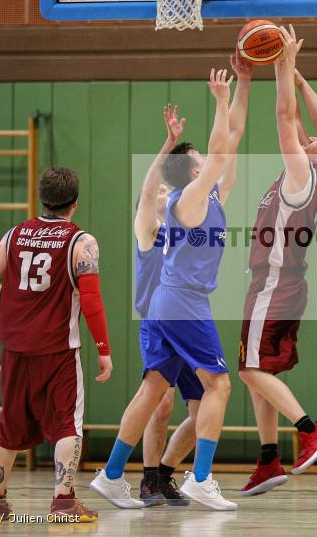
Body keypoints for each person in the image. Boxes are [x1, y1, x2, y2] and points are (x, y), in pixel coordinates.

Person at [94, 67, 247, 512]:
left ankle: (111, 473)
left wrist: (242, 88)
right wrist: (219, 99)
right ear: (195, 170)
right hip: (181, 301)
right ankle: (200, 478)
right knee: (219, 386)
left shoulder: (210, 197)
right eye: (203, 159)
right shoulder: (188, 199)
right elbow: (219, 151)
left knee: (155, 390)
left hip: (170, 301)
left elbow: (230, 142)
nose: (211, 159)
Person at [0, 166, 113, 523]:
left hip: (16, 348)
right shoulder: (82, 242)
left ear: (42, 198)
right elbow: (92, 302)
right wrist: (104, 349)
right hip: (58, 350)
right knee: (68, 424)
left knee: (9, 423)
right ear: (74, 204)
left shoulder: (14, 234)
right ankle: (63, 501)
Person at [236, 27, 317, 496]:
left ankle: (309, 430)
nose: (312, 136)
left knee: (248, 370)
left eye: (316, 141)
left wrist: (281, 67)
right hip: (287, 283)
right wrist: (291, 69)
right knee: (264, 371)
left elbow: (285, 117)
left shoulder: (302, 173)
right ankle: (269, 460)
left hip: (273, 283)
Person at [89, 104, 202, 509]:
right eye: (157, 192)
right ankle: (139, 475)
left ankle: (162, 473)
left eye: (167, 192)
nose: (162, 194)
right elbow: (151, 187)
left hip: (187, 319)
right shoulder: (148, 230)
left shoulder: (184, 224)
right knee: (160, 398)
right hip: (158, 320)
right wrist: (169, 144)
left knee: (206, 406)